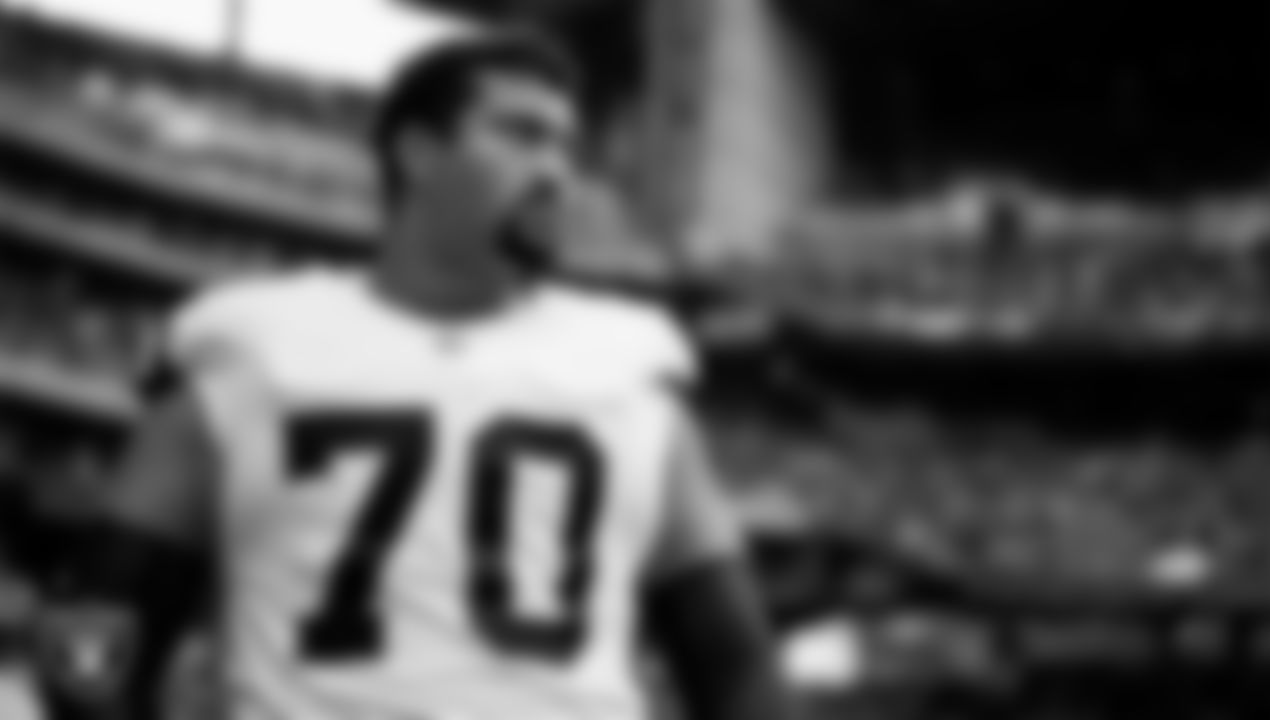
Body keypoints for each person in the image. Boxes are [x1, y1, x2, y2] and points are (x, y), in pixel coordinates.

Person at [33, 29, 794, 720]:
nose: (557, 171)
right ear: (418, 150)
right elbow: (99, 621)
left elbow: (736, 666)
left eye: (567, 145)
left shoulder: (632, 369)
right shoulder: (250, 345)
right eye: (522, 134)